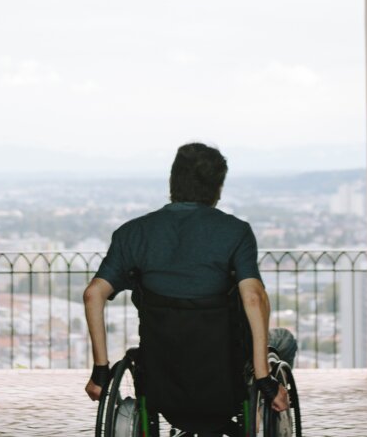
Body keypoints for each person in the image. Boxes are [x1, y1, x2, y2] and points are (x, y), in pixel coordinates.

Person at [83, 142, 295, 418]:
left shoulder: (132, 234)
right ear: (218, 188)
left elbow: (92, 295)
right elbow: (253, 298)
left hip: (160, 382)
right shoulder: (235, 233)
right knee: (284, 340)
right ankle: (259, 415)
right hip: (225, 381)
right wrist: (264, 378)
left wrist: (101, 371)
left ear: (173, 181)